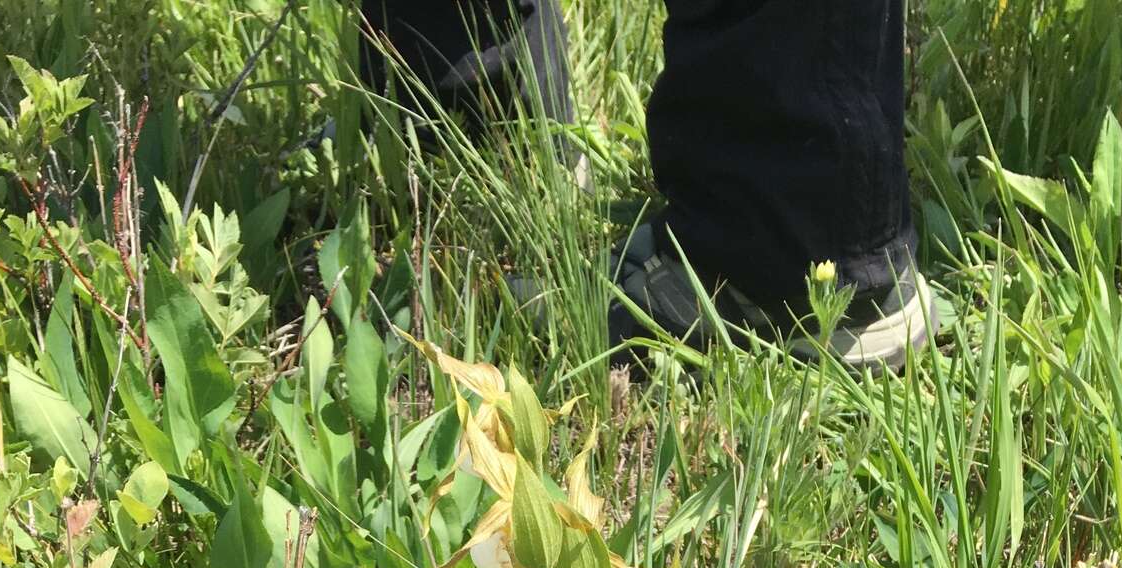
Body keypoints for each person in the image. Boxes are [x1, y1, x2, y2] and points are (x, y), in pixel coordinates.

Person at [358, 1, 933, 368]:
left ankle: (786, 251)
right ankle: (479, 110)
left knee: (795, 242)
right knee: (461, 101)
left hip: (802, 232)